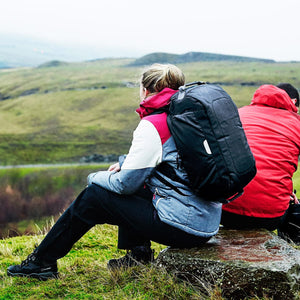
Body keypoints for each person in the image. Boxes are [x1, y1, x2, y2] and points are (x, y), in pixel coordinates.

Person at [7, 63, 222, 280]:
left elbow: (125, 184)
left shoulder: (154, 124)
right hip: (206, 222)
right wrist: (126, 164)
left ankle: (41, 262)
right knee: (133, 175)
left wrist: (95, 177)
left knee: (96, 195)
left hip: (183, 227)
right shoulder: (188, 117)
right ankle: (138, 255)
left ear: (145, 90)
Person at [221, 83, 300, 241]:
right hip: (271, 216)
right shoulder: (296, 122)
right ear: (293, 102)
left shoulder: (237, 114)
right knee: (294, 206)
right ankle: (289, 248)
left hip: (224, 209)